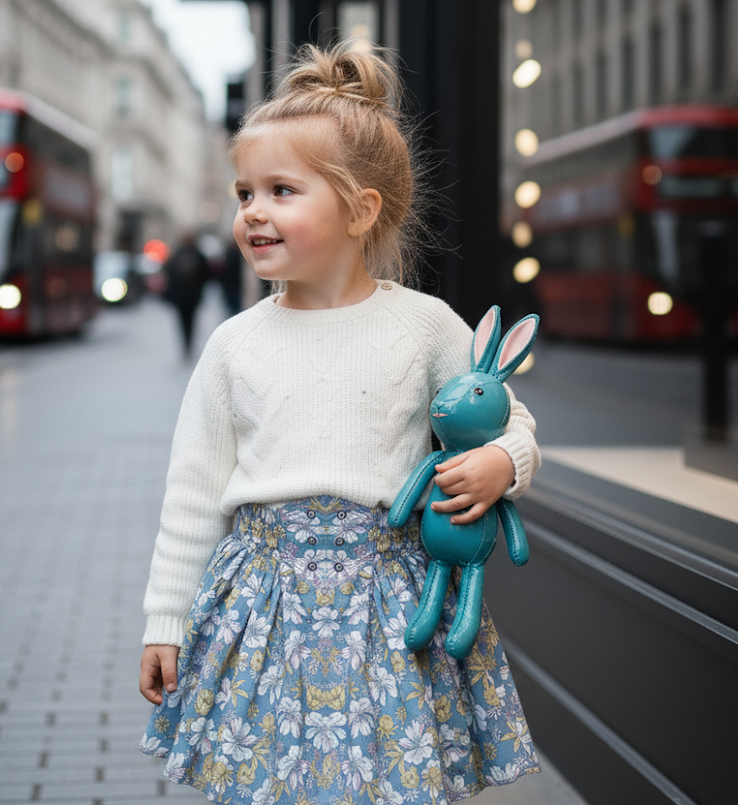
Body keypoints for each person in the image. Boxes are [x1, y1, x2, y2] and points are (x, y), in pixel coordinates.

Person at [139, 43, 541, 803]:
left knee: (391, 778)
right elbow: (193, 490)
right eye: (244, 192)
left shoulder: (423, 327)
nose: (252, 211)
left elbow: (509, 417)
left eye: (281, 190)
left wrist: (503, 465)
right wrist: (166, 621)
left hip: (389, 605)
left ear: (361, 210)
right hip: (263, 608)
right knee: (268, 779)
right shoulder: (233, 343)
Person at [162, 230, 211, 358]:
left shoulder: (177, 255)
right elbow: (206, 275)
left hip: (182, 296)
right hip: (193, 296)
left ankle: (186, 345)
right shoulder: (198, 254)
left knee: (182, 321)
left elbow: (169, 274)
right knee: (191, 321)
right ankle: (188, 344)